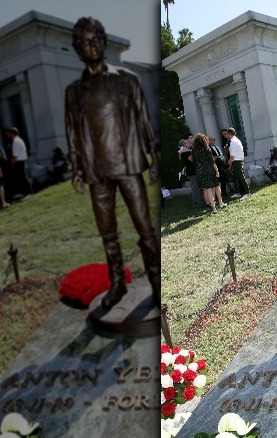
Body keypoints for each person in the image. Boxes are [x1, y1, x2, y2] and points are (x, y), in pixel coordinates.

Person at [64, 17, 160, 311]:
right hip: (96, 170)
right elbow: (71, 131)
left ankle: (157, 283)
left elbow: (144, 119)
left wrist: (154, 154)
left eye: (97, 39)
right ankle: (117, 283)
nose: (92, 45)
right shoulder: (74, 91)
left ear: (104, 42)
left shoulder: (125, 80)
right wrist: (76, 166)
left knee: (145, 229)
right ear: (78, 49)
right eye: (85, 41)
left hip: (128, 164)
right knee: (108, 232)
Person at [190, 133, 222, 213]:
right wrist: (217, 170)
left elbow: (193, 161)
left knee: (208, 189)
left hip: (200, 170)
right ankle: (220, 203)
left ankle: (213, 207)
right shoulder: (206, 148)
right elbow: (212, 160)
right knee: (216, 185)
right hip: (210, 168)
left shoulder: (194, 150)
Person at [222, 128, 250, 200]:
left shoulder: (233, 142)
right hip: (237, 161)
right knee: (235, 177)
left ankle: (247, 193)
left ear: (229, 134)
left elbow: (232, 155)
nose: (226, 135)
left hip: (236, 161)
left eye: (227, 133)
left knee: (241, 177)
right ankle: (237, 192)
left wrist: (230, 162)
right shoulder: (236, 140)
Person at [6, 127, 33, 198]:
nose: (8, 136)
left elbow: (15, 156)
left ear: (12, 134)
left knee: (23, 177)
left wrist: (12, 163)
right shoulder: (19, 140)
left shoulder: (15, 142)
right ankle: (23, 192)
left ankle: (29, 192)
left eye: (9, 134)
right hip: (20, 161)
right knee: (19, 178)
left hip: (19, 162)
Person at [178, 135, 203, 207]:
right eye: (187, 143)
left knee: (194, 187)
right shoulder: (185, 152)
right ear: (184, 144)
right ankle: (198, 202)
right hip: (192, 171)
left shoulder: (182, 152)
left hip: (190, 171)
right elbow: (192, 160)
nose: (189, 144)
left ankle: (197, 202)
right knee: (196, 187)